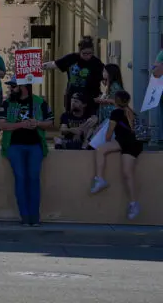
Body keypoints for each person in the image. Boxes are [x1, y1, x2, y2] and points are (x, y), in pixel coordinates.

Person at [0, 83, 53, 226]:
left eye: (14, 86)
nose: (11, 89)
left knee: (34, 179)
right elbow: (2, 125)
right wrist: (21, 125)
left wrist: (38, 123)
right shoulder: (7, 103)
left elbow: (50, 122)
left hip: (35, 145)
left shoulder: (39, 102)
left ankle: (35, 216)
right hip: (14, 146)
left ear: (23, 87)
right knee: (20, 178)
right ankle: (25, 216)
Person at [90, 91, 142, 219]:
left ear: (116, 100)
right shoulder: (131, 111)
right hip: (135, 144)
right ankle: (133, 203)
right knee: (127, 174)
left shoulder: (116, 113)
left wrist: (105, 136)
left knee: (101, 150)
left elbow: (108, 135)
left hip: (123, 141)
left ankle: (100, 179)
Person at [43, 36, 104, 117]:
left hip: (90, 100)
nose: (87, 56)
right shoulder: (72, 58)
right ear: (79, 51)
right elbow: (54, 64)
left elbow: (105, 77)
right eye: (84, 54)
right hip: (72, 98)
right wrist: (37, 67)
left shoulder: (96, 62)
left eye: (90, 53)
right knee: (71, 122)